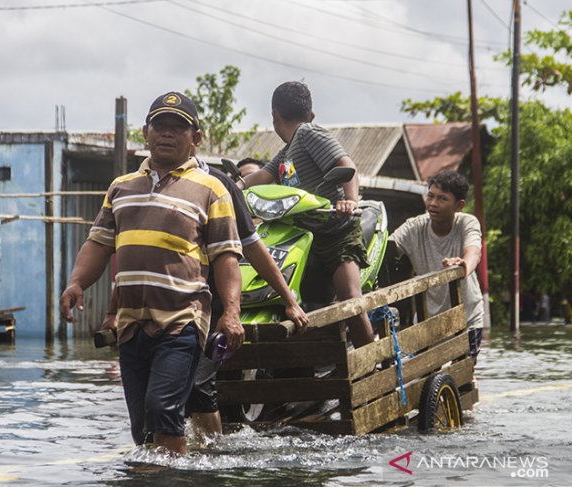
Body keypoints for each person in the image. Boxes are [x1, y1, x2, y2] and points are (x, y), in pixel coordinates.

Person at [60, 91, 244, 455]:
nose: (168, 134)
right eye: (160, 125)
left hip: (182, 320)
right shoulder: (122, 188)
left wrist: (232, 312)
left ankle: (172, 478)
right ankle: (162, 473)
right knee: (142, 428)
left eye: (179, 127)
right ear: (145, 131)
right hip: (131, 325)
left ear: (196, 138)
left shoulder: (212, 189)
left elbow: (226, 257)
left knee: (163, 410)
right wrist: (76, 283)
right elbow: (98, 244)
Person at [100, 155, 309, 439]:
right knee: (159, 401)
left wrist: (289, 301)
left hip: (203, 304)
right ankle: (179, 449)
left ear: (193, 140)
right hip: (151, 312)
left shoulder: (218, 186)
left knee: (198, 385)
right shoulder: (138, 187)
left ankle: (209, 453)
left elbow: (252, 248)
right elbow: (133, 260)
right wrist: (113, 312)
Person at [238, 81, 375, 348]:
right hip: (303, 235)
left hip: (336, 231)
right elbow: (263, 175)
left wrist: (351, 201)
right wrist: (235, 186)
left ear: (274, 115)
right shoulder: (288, 149)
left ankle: (369, 361)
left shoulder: (309, 133)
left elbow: (347, 165)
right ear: (310, 112)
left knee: (350, 300)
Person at [391, 171, 484, 358]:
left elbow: (474, 251)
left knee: (462, 376)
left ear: (459, 205)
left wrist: (463, 264)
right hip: (427, 320)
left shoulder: (466, 222)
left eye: (442, 199)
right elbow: (387, 248)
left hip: (467, 318)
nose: (433, 203)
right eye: (430, 196)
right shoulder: (415, 226)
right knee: (424, 379)